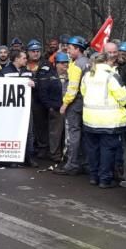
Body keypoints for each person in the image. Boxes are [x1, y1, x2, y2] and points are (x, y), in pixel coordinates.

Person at [80, 52, 126, 188]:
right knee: (107, 150)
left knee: (93, 150)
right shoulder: (112, 76)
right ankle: (104, 179)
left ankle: (93, 176)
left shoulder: (87, 75)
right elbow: (124, 97)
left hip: (90, 119)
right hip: (109, 121)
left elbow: (84, 93)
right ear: (108, 61)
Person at [55, 36, 89, 175]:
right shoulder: (88, 62)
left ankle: (72, 164)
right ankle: (84, 162)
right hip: (87, 104)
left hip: (75, 104)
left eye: (70, 48)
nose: (68, 51)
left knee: (74, 134)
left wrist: (65, 104)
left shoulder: (76, 65)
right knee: (85, 134)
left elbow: (72, 88)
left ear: (77, 49)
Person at [0, 50, 37, 167]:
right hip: (10, 109)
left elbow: (36, 85)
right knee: (11, 132)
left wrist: (34, 84)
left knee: (29, 133)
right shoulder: (4, 72)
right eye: (24, 58)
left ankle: (29, 157)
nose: (26, 60)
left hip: (26, 108)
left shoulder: (28, 73)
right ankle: (12, 159)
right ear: (16, 59)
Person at [38, 52, 69, 165]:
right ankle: (55, 154)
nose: (65, 65)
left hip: (68, 107)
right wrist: (50, 106)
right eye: (62, 63)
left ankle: (65, 154)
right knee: (55, 132)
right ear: (56, 64)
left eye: (66, 63)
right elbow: (43, 92)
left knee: (67, 133)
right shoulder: (49, 75)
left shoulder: (70, 75)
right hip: (56, 108)